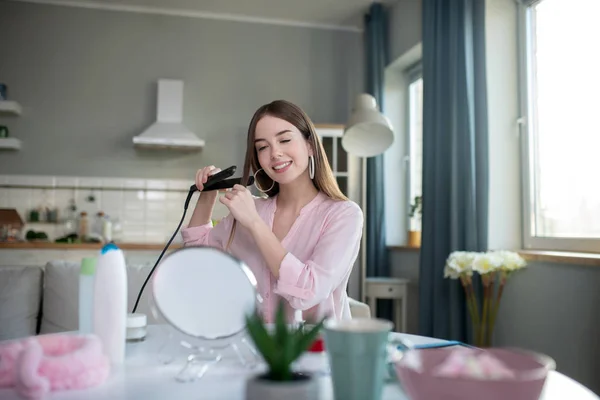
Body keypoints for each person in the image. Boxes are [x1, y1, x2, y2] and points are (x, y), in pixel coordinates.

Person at [181, 100, 364, 323]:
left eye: (285, 140)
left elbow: (309, 291)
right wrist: (207, 195)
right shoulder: (251, 209)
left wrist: (255, 224)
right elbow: (196, 259)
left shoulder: (343, 215)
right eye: (262, 147)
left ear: (310, 146)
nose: (275, 153)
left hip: (318, 352)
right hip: (254, 349)